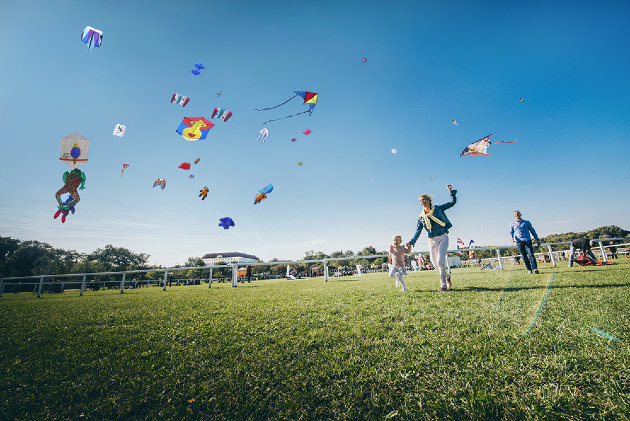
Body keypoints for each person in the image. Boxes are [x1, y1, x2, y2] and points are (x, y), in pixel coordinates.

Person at [406, 185, 457, 291]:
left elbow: (452, 203)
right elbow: (418, 231)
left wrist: (451, 191)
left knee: (440, 261)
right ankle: (447, 276)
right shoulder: (421, 217)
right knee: (435, 264)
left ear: (429, 200)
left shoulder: (438, 208)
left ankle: (443, 285)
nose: (422, 202)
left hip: (443, 237)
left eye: (424, 199)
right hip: (432, 240)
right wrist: (411, 242)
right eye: (420, 200)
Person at [509, 210, 541, 274]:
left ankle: (535, 268)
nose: (517, 215)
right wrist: (512, 238)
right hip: (519, 242)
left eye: (518, 214)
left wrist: (537, 239)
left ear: (520, 214)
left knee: (531, 254)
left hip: (527, 240)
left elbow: (532, 230)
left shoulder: (526, 222)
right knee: (524, 256)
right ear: (514, 216)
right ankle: (529, 269)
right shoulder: (512, 224)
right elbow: (511, 232)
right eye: (515, 214)